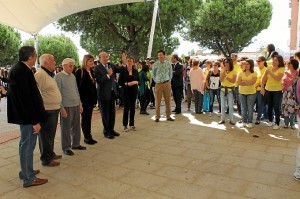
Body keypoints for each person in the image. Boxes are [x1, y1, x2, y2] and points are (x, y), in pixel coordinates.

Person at [7, 46, 48, 188]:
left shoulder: (18, 69)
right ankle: (29, 178)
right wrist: (34, 121)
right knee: (28, 145)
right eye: (35, 55)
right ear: (30, 57)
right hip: (28, 117)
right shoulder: (21, 71)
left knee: (25, 145)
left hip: (25, 116)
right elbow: (26, 100)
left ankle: (25, 171)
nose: (36, 57)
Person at [34, 54, 62, 167]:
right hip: (47, 110)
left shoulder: (48, 74)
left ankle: (50, 153)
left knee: (51, 135)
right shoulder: (40, 74)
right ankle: (46, 159)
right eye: (52, 61)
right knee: (46, 136)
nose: (55, 62)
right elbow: (35, 93)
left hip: (53, 108)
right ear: (45, 63)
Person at [55, 58, 86, 155]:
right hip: (66, 106)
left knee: (76, 126)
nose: (72, 68)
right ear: (64, 66)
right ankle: (66, 147)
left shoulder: (72, 76)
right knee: (66, 128)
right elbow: (58, 93)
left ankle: (76, 144)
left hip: (76, 104)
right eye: (70, 65)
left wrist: (80, 103)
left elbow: (76, 90)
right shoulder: (58, 77)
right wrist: (61, 107)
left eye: (73, 66)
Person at [94, 52, 123, 139]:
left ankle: (111, 129)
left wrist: (124, 63)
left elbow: (120, 69)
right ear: (100, 58)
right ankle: (106, 131)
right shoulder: (97, 68)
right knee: (105, 113)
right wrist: (108, 75)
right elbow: (99, 81)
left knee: (112, 113)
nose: (106, 58)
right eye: (104, 57)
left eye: (107, 57)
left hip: (112, 93)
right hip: (103, 94)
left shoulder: (111, 65)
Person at [75, 55, 98, 145]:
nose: (92, 63)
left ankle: (89, 135)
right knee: (85, 119)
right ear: (85, 61)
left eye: (92, 61)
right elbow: (77, 87)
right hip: (84, 99)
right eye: (90, 61)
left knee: (88, 118)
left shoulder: (92, 71)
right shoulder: (80, 72)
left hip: (91, 99)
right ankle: (87, 137)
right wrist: (79, 101)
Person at [261, 55, 285, 130]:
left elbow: (278, 78)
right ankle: (270, 120)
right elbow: (263, 78)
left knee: (276, 106)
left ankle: (277, 123)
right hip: (268, 89)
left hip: (277, 90)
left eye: (276, 60)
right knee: (269, 106)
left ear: (279, 62)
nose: (274, 62)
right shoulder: (269, 67)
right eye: (273, 60)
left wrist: (270, 73)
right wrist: (262, 87)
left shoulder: (282, 69)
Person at [152, 50, 174, 122]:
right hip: (158, 84)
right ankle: (157, 117)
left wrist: (168, 81)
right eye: (158, 55)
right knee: (157, 101)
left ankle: (168, 116)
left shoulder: (168, 64)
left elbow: (171, 73)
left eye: (161, 55)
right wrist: (156, 81)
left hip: (167, 83)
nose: (160, 56)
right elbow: (153, 74)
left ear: (164, 55)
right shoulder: (155, 64)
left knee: (168, 100)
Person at [118, 56, 139, 131]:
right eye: (128, 61)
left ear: (133, 62)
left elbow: (138, 80)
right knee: (126, 108)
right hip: (125, 91)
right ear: (126, 62)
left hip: (133, 91)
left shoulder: (135, 71)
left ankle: (132, 124)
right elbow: (119, 82)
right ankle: (125, 125)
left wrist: (136, 82)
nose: (129, 62)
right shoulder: (123, 71)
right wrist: (127, 83)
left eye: (131, 61)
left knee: (133, 108)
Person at [236, 59, 257, 128]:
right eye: (245, 64)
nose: (246, 65)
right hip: (242, 92)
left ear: (251, 65)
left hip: (251, 93)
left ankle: (250, 122)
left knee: (250, 108)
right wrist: (247, 82)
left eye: (247, 64)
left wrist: (244, 81)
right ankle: (244, 121)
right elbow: (238, 82)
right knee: (243, 108)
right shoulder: (240, 73)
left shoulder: (254, 73)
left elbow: (252, 82)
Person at [281, 58, 299, 129]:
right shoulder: (286, 72)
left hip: (293, 93)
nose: (287, 65)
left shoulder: (297, 73)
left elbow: (295, 82)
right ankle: (286, 123)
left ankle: (292, 123)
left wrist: (290, 76)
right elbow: (283, 81)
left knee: (292, 108)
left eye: (289, 63)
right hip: (285, 92)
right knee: (285, 107)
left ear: (293, 65)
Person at [219, 58, 237, 125]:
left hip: (230, 90)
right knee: (222, 105)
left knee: (230, 105)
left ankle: (231, 120)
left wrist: (226, 76)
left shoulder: (234, 71)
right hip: (223, 90)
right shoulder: (222, 71)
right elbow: (220, 80)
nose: (225, 63)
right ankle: (222, 119)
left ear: (230, 63)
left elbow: (233, 81)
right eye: (225, 62)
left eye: (227, 62)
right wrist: (224, 72)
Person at [254, 56, 268, 124]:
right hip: (253, 89)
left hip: (261, 89)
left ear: (263, 61)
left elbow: (266, 81)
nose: (257, 62)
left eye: (259, 61)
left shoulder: (266, 70)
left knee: (260, 105)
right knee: (252, 105)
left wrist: (258, 85)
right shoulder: (256, 69)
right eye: (257, 61)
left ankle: (258, 118)